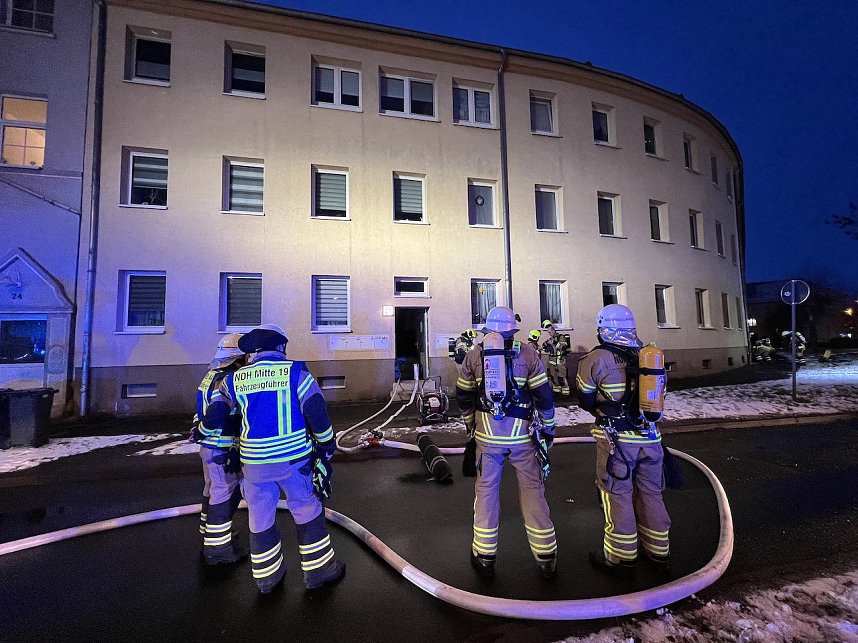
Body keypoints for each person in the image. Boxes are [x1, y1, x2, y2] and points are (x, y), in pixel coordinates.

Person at [203, 323, 345, 594]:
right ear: (280, 347)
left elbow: (216, 413)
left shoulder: (235, 379)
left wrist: (206, 434)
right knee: (306, 510)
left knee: (259, 517)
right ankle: (318, 571)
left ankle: (267, 578)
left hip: (254, 465)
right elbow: (316, 411)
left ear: (252, 352)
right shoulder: (296, 372)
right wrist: (326, 447)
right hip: (294, 462)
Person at [456, 306, 558, 579]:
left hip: (487, 439)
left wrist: (470, 426)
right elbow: (544, 396)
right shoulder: (528, 353)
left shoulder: (475, 354)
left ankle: (484, 555)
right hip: (523, 437)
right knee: (533, 491)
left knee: (486, 492)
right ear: (513, 329)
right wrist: (548, 429)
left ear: (488, 329)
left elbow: (463, 397)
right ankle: (546, 555)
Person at [575, 304, 671, 574]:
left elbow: (585, 399)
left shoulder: (596, 359)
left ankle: (620, 557)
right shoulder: (650, 356)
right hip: (651, 439)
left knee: (617, 494)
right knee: (651, 492)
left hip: (617, 441)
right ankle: (658, 551)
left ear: (604, 329)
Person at [192, 333, 247, 565]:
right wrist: (205, 430)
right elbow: (217, 414)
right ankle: (218, 549)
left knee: (212, 488)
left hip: (208, 447)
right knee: (223, 493)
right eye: (245, 357)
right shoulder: (227, 380)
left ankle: (209, 533)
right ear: (236, 358)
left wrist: (198, 430)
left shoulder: (210, 376)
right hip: (221, 448)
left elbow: (202, 409)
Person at [541, 320, 571, 395]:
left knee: (561, 375)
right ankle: (556, 389)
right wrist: (546, 344)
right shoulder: (550, 339)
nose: (549, 334)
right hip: (552, 359)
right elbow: (545, 347)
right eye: (548, 333)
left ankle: (565, 390)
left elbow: (562, 347)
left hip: (560, 359)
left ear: (553, 330)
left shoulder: (561, 337)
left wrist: (554, 343)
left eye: (550, 332)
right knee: (553, 375)